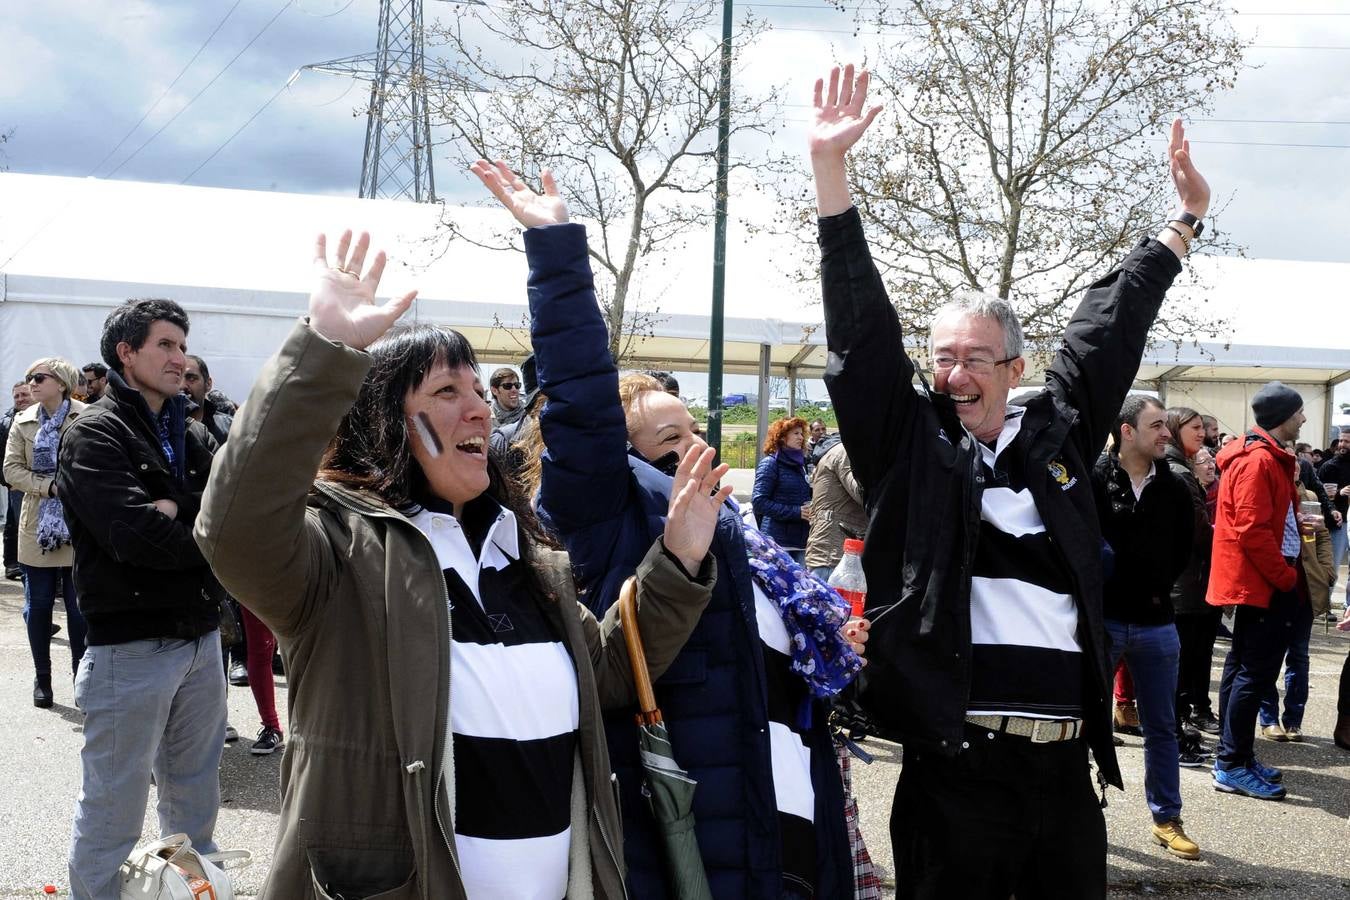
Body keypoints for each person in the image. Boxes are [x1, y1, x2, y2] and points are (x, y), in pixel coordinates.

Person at [193, 229, 722, 898]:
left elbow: (611, 672)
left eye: (478, 387)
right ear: (387, 422)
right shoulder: (339, 554)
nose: (479, 406)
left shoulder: (529, 558)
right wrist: (324, 351)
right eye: (447, 391)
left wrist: (677, 559)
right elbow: (234, 529)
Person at [809, 64, 1208, 897]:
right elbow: (860, 334)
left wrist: (1182, 223)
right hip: (956, 773)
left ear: (1015, 367)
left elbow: (1110, 327)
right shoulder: (907, 446)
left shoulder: (1059, 433)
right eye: (941, 357)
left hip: (1066, 774)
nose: (954, 374)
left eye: (974, 359)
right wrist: (831, 175)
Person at [479, 160, 865, 899]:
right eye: (666, 443)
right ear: (617, 460)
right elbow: (584, 403)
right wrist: (557, 250)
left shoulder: (740, 533)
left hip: (779, 796)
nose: (694, 450)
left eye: (695, 432)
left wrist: (821, 638)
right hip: (692, 820)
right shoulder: (607, 507)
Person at [58, 298, 224, 899]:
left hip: (201, 642)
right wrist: (200, 519)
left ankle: (192, 897)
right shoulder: (94, 432)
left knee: (193, 818)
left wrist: (179, 506)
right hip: (129, 649)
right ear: (126, 354)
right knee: (112, 818)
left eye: (183, 346)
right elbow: (134, 536)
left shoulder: (192, 429)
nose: (181, 359)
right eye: (166, 346)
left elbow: (229, 507)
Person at [1091, 397, 1198, 858]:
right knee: (1081, 723)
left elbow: (1183, 550)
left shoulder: (1174, 487)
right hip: (1101, 623)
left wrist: (1155, 589)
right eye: (1156, 426)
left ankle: (1166, 818)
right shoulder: (1093, 479)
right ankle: (1075, 817)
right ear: (1127, 430)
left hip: (1157, 624)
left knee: (1162, 728)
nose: (1166, 434)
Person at [1207, 381, 1307, 801]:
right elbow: (1252, 529)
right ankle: (1231, 763)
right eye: (1299, 412)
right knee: (1254, 673)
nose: (1303, 418)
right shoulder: (1258, 460)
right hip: (1264, 582)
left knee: (1244, 669)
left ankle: (1237, 756)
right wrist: (1286, 578)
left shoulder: (1262, 456)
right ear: (1284, 416)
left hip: (1259, 581)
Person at [3, 359, 89, 707]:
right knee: (37, 607)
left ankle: (81, 679)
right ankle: (42, 678)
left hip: (79, 524)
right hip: (37, 524)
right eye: (29, 378)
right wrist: (50, 486)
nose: (32, 383)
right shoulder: (23, 420)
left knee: (78, 608)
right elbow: (11, 470)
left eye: (39, 377)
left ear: (63, 383)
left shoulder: (88, 417)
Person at [1256, 459, 1327, 743]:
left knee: (1299, 656)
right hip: (1275, 587)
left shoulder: (1308, 497)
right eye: (1288, 465)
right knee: (1269, 655)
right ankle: (1269, 719)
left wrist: (1326, 570)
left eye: (1297, 466)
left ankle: (1294, 720)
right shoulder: (1271, 493)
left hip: (1305, 588)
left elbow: (1321, 537)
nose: (1293, 469)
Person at [1165, 408, 1220, 739]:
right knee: (1186, 660)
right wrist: (1228, 541)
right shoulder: (1180, 473)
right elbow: (1198, 533)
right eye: (1195, 427)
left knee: (1191, 658)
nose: (1202, 433)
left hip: (1190, 583)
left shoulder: (1180, 469)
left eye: (1204, 428)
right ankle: (1180, 727)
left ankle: (1183, 721)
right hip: (1187, 585)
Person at [753, 416, 814, 564]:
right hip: (777, 543)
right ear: (781, 437)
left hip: (801, 542)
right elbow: (759, 502)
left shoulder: (802, 464)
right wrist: (796, 512)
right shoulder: (770, 463)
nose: (801, 437)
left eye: (802, 434)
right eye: (795, 433)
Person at [805, 440, 866, 583]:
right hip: (833, 553)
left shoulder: (835, 453)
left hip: (831, 550)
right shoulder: (843, 453)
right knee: (830, 603)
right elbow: (862, 493)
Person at [3, 381, 35, 579]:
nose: (21, 399)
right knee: (17, 526)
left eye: (24, 395)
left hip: (43, 484)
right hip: (16, 485)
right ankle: (16, 565)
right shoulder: (6, 422)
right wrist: (8, 482)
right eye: (17, 396)